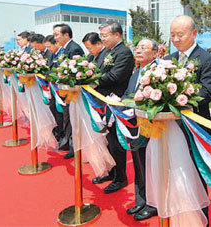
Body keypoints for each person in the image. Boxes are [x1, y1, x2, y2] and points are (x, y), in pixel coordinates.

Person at [165, 15, 211, 222]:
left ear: (194, 33)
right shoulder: (168, 60)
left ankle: (199, 219)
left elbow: (206, 93)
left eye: (180, 34)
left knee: (196, 173)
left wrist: (177, 98)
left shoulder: (207, 60)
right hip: (170, 127)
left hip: (195, 128)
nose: (176, 39)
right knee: (174, 172)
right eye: (172, 35)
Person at [92, 21, 135, 194]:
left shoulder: (124, 52)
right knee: (106, 142)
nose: (102, 39)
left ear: (117, 35)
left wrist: (91, 79)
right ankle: (110, 171)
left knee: (116, 143)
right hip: (102, 102)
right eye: (101, 36)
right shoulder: (107, 52)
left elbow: (115, 76)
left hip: (115, 103)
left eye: (105, 35)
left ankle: (120, 177)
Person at [122, 38, 159, 221]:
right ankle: (141, 199)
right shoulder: (136, 72)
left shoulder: (158, 72)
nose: (138, 50)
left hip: (151, 128)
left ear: (155, 52)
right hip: (133, 126)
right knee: (138, 164)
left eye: (144, 48)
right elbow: (127, 95)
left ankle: (153, 204)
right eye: (137, 47)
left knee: (150, 165)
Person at [53, 23, 84, 158]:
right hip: (66, 91)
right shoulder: (63, 49)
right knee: (68, 118)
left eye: (56, 35)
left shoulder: (74, 49)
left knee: (73, 119)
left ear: (66, 35)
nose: (55, 38)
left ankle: (75, 147)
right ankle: (70, 144)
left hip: (73, 92)